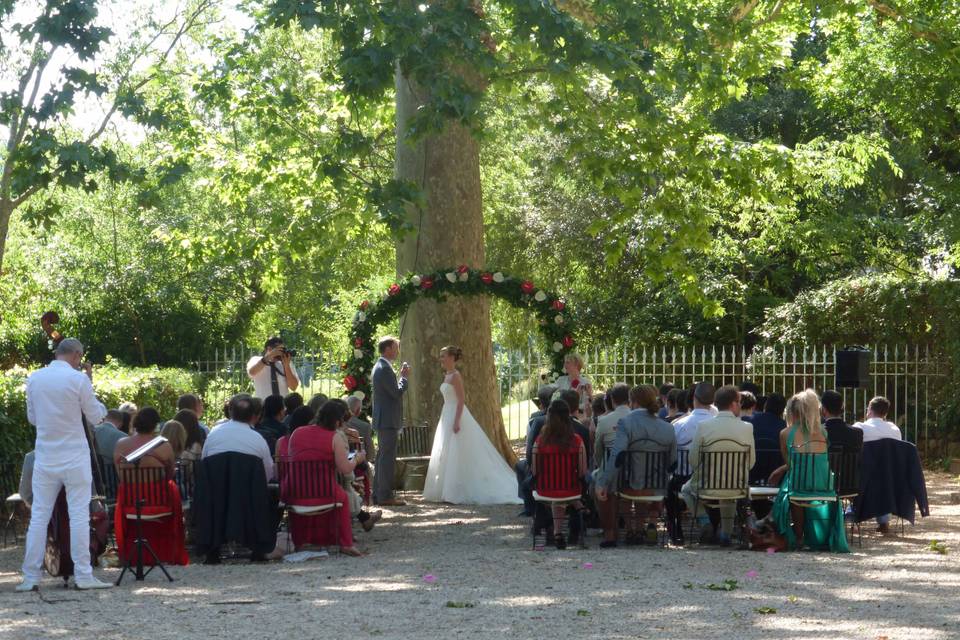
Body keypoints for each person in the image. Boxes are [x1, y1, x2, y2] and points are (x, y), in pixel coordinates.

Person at [18, 338, 112, 591]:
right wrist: (90, 385)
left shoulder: (35, 378)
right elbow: (96, 416)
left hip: (46, 455)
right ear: (77, 355)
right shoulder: (79, 379)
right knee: (79, 515)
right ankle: (83, 575)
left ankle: (30, 578)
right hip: (74, 456)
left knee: (39, 515)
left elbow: (33, 418)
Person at [422, 346, 522, 505]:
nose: (441, 359)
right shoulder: (446, 375)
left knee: (458, 449)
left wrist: (456, 421)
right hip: (446, 413)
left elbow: (461, 400)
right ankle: (446, 489)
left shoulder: (455, 376)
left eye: (443, 356)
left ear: (451, 358)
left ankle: (455, 491)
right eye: (440, 356)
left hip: (456, 414)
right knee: (447, 450)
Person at [596, 385, 678, 547]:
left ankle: (626, 529)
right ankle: (643, 528)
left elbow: (617, 455)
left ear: (632, 402)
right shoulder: (668, 427)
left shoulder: (625, 423)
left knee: (622, 476)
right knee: (646, 474)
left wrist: (603, 482)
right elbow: (673, 461)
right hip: (656, 487)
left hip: (629, 486)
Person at [770, 390, 849, 552]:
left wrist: (780, 470)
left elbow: (790, 464)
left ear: (791, 411)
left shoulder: (785, 434)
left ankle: (798, 537)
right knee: (800, 484)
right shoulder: (823, 432)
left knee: (793, 488)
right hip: (824, 485)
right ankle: (817, 536)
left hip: (800, 485)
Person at [287, 400, 366, 556]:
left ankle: (300, 541)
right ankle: (346, 543)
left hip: (294, 489)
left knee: (333, 493)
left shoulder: (297, 433)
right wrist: (357, 459)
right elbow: (344, 469)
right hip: (324, 491)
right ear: (337, 421)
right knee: (343, 497)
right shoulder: (334, 437)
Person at [680, 385, 755, 546]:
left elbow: (693, 460)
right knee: (729, 493)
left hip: (707, 486)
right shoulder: (747, 428)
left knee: (685, 490)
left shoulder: (704, 427)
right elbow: (751, 462)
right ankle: (726, 534)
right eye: (740, 402)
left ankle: (704, 519)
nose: (741, 405)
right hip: (736, 487)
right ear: (733, 404)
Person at [532, 400, 588, 550]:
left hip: (545, 489)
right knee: (563, 493)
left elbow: (535, 470)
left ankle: (557, 532)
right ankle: (577, 508)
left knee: (556, 494)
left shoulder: (540, 441)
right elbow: (583, 471)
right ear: (568, 416)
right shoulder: (577, 440)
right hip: (571, 489)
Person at [853, 396, 901, 534]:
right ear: (885, 413)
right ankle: (884, 520)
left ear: (869, 410)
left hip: (863, 479)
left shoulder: (860, 428)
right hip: (889, 479)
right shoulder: (895, 430)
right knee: (882, 477)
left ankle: (854, 514)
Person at [371, 336, 409, 507]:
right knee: (387, 458)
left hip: (383, 419)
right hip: (387, 420)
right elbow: (395, 392)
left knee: (382, 457)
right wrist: (404, 378)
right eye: (396, 347)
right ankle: (385, 495)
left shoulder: (380, 366)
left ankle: (378, 493)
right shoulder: (384, 369)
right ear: (387, 349)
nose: (397, 351)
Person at [202, 394, 274, 482]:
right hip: (248, 492)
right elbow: (268, 473)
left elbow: (204, 463)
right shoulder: (258, 439)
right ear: (253, 415)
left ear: (230, 413)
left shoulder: (213, 434)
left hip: (216, 491)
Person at [515, 385, 558, 517]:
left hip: (541, 469)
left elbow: (530, 448)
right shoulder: (571, 419)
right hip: (567, 470)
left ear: (541, 403)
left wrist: (530, 463)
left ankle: (529, 506)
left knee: (520, 466)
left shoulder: (536, 420)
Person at [113, 408, 176, 480]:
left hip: (128, 489)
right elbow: (171, 473)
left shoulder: (120, 444)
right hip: (158, 490)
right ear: (155, 425)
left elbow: (119, 472)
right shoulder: (164, 445)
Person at [672, 382, 716, 475]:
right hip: (712, 480)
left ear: (694, 399)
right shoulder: (721, 427)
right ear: (713, 401)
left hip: (683, 478)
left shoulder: (677, 425)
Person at [593, 383, 631, 473]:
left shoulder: (603, 421)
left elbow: (598, 451)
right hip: (633, 473)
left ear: (612, 400)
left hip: (610, 474)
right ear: (630, 399)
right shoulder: (638, 420)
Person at [821, 390, 863, 454]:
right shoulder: (857, 433)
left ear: (824, 409)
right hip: (849, 464)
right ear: (842, 407)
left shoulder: (819, 433)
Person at [554, 353, 594, 420]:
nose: (564, 365)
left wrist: (587, 395)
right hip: (561, 415)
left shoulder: (585, 382)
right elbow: (555, 399)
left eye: (567, 363)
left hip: (580, 416)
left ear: (576, 365)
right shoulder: (560, 380)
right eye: (565, 363)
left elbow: (587, 403)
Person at [346, 395, 375, 461]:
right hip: (359, 463)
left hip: (341, 461)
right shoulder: (365, 426)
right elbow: (370, 454)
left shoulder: (339, 424)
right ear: (358, 410)